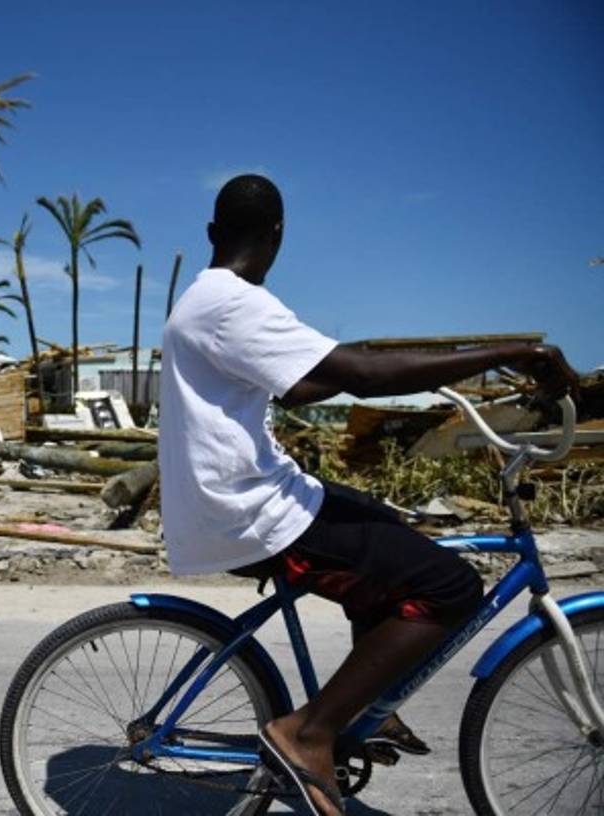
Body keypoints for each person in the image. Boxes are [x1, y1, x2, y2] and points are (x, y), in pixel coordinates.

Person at [158, 174, 577, 815]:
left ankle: (367, 710)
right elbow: (359, 376)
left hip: (241, 500)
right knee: (452, 588)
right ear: (278, 235)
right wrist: (509, 353)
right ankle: (308, 732)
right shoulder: (234, 303)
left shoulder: (205, 299)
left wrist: (343, 364)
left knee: (386, 528)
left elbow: (301, 386)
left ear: (213, 233)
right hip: (253, 513)